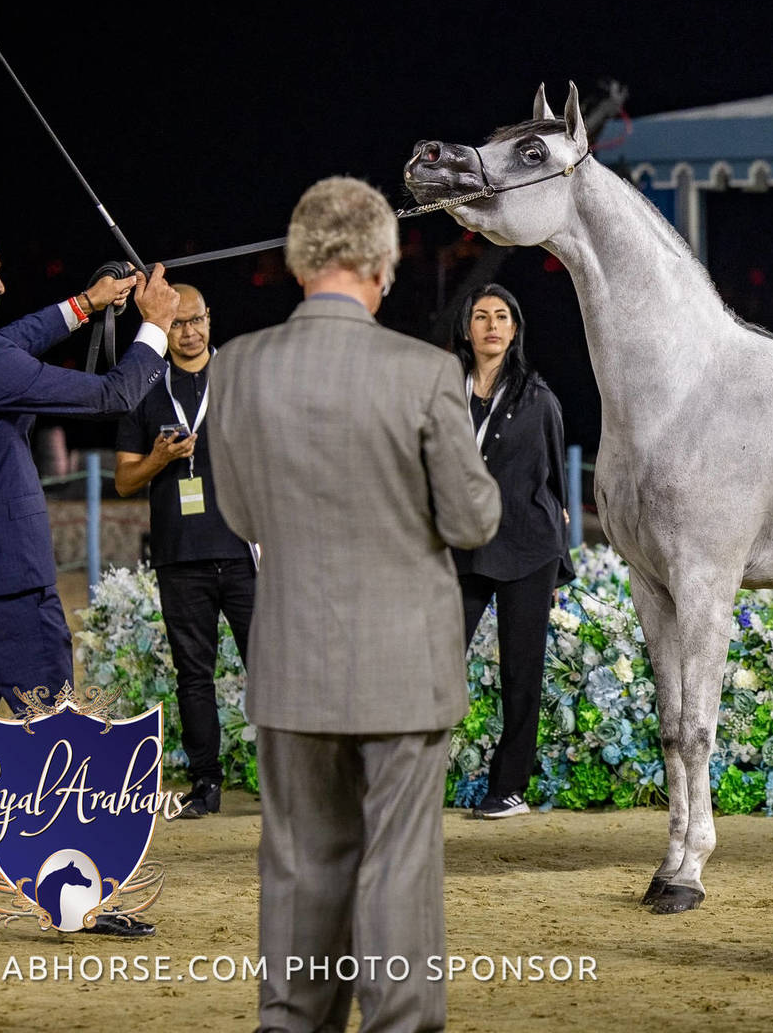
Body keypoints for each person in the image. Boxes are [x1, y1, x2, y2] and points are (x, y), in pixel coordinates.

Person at [206, 177, 500, 1032]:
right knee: (398, 866)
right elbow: (473, 517)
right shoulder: (423, 373)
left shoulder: (238, 367)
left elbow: (242, 515)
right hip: (404, 664)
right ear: (383, 264)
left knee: (301, 864)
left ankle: (291, 1020)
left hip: (292, 658)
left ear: (300, 262)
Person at [0, 224, 178, 944]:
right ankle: (79, 895)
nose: (2, 285)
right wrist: (155, 328)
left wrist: (86, 303)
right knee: (61, 735)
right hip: (6, 582)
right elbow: (115, 394)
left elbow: (3, 345)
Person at [114, 283, 254, 818]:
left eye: (197, 320)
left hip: (246, 552)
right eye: (178, 323)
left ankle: (293, 782)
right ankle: (205, 784)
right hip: (180, 556)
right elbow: (126, 480)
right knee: (193, 676)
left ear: (210, 319)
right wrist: (157, 458)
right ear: (164, 326)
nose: (190, 331)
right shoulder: (146, 386)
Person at [451, 282, 573, 819]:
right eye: (482, 316)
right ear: (468, 327)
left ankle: (510, 789)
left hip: (527, 547)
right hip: (461, 546)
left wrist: (562, 532)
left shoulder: (538, 398)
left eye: (502, 316)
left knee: (521, 672)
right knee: (434, 662)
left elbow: (552, 482)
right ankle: (410, 778)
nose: (492, 325)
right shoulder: (444, 392)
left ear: (515, 328)